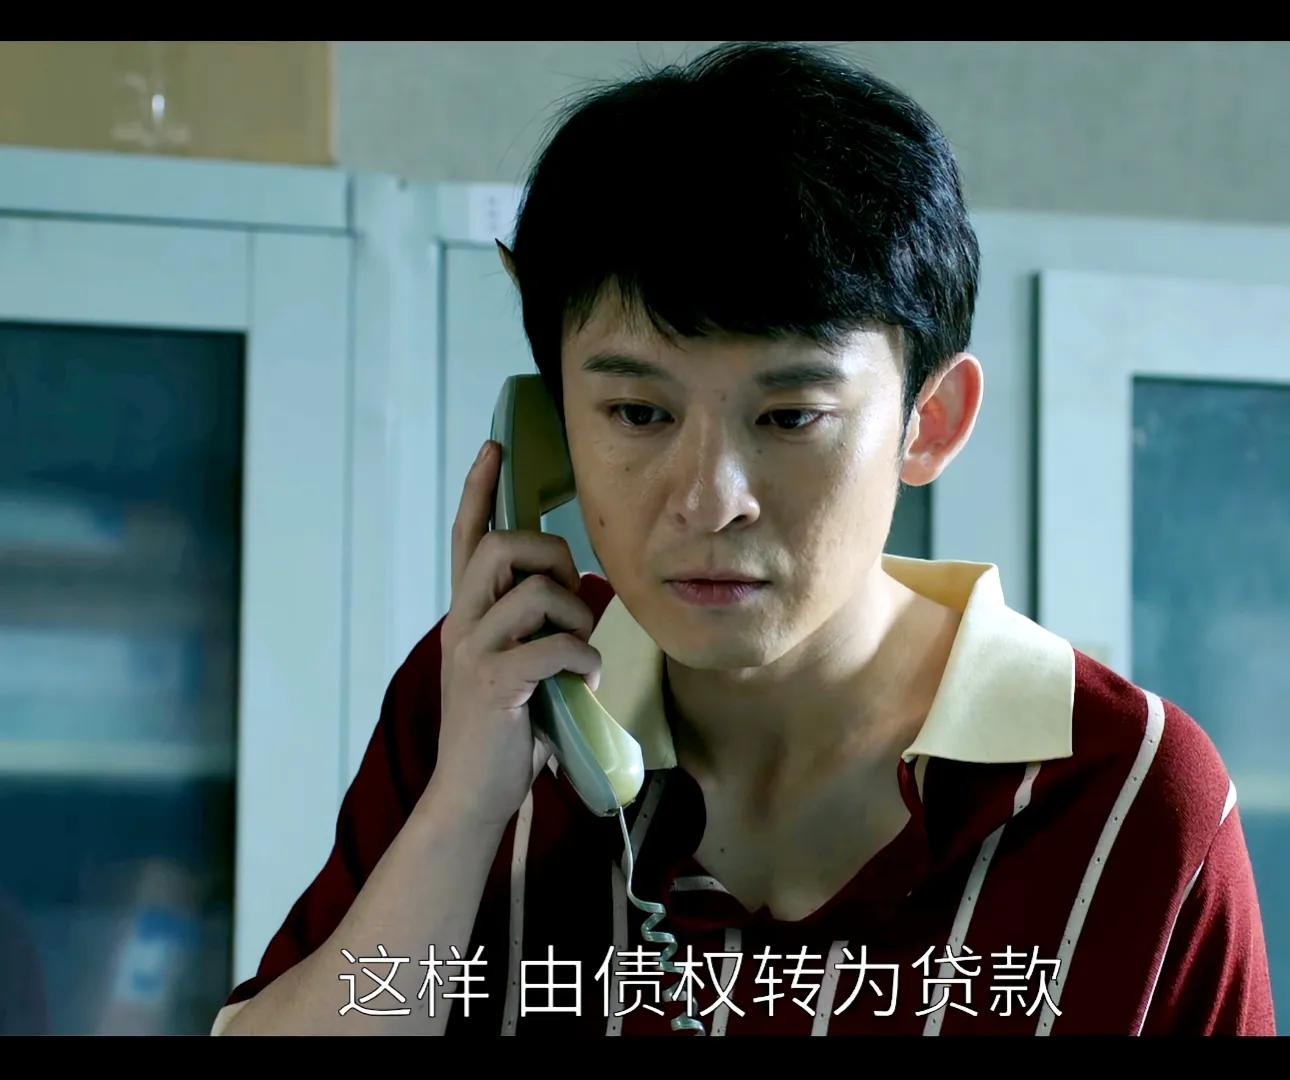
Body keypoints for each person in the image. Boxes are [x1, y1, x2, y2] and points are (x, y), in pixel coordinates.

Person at [212, 41, 1275, 1036]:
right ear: (552, 427)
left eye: (790, 417)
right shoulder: (483, 694)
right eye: (638, 414)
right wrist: (465, 807)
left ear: (930, 421)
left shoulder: (1134, 795)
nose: (710, 500)